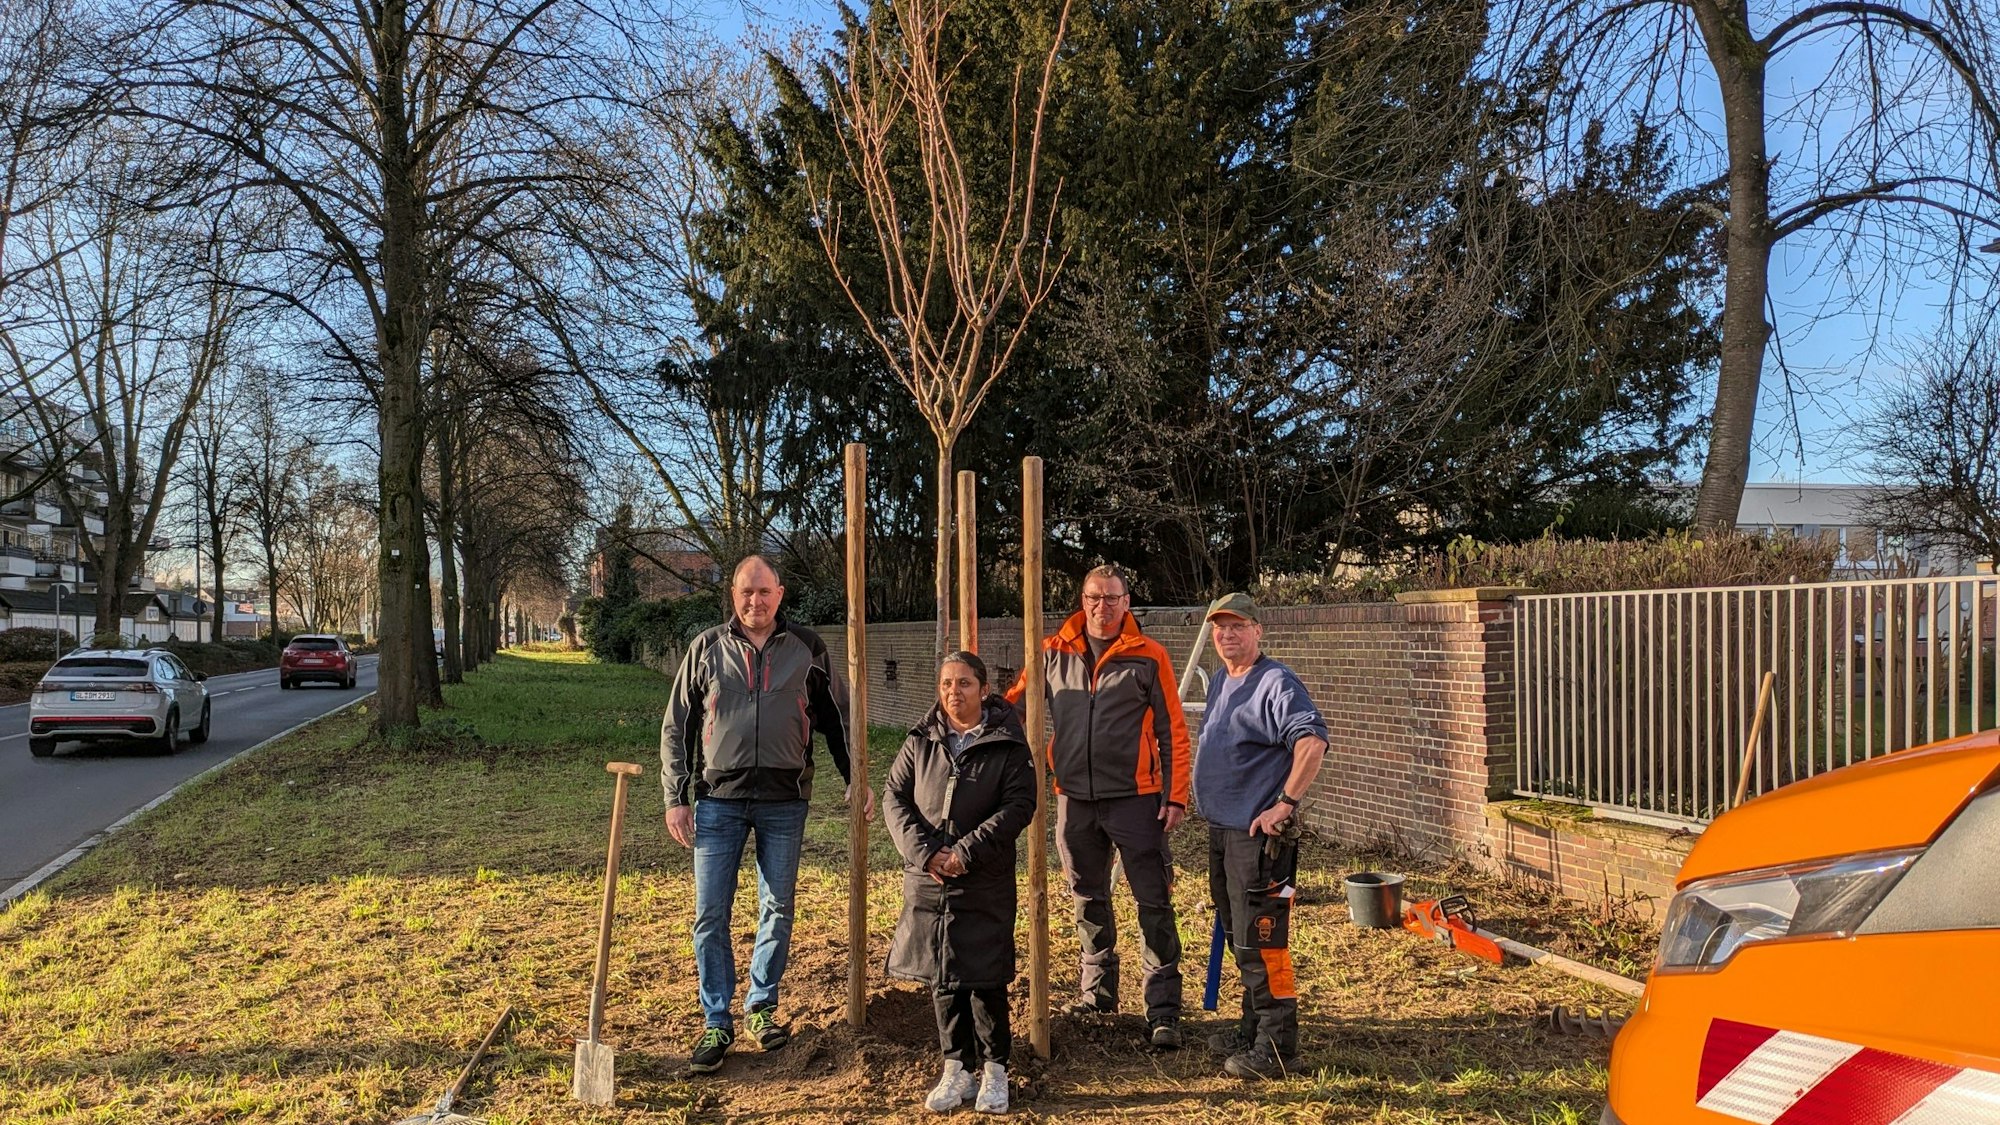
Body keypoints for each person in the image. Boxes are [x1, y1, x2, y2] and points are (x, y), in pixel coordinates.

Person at [661, 555, 874, 1075]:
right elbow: (677, 726)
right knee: (711, 914)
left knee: (777, 906)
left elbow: (838, 720)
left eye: (764, 592)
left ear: (780, 594)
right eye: (744, 593)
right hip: (717, 801)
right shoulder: (706, 648)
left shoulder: (808, 649)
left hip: (785, 801)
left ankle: (761, 1008)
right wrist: (676, 796)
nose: (754, 601)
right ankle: (717, 1019)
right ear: (732, 596)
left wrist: (857, 778)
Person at [1008, 563, 1192, 1047]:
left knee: (1153, 900)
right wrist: (963, 699)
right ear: (1081, 600)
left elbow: (1172, 730)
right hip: (1074, 801)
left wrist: (1175, 796)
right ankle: (1099, 994)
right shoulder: (1050, 651)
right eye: (1094, 597)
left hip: (1137, 800)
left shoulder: (1149, 656)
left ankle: (1163, 1010)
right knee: (1087, 898)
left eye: (1112, 598)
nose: (1102, 607)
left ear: (1126, 603)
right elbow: (1014, 705)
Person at [885, 651, 1036, 1115]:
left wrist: (965, 853)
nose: (955, 692)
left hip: (982, 877)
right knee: (943, 976)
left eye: (965, 683)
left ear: (984, 689)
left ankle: (994, 1070)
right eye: (948, 684)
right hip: (929, 878)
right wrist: (927, 853)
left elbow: (1018, 805)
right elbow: (895, 796)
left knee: (985, 975)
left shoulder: (1007, 743)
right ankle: (956, 1068)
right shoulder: (920, 740)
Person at [1191, 593, 1329, 1080]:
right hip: (1224, 833)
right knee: (1239, 938)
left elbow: (1312, 741)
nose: (1227, 635)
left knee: (1264, 942)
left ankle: (1277, 1048)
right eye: (1219, 628)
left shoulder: (1276, 682)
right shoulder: (1223, 683)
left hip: (1259, 840)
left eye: (1238, 626)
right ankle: (1252, 1030)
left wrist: (1284, 804)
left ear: (1258, 631)